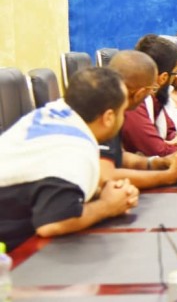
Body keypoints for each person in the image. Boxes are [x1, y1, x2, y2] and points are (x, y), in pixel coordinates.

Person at [0, 67, 139, 251]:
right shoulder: (75, 149)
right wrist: (108, 205)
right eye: (123, 112)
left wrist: (103, 193)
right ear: (108, 117)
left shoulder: (51, 114)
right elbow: (53, 222)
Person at [102, 50, 177, 189]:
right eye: (152, 89)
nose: (152, 95)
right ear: (140, 93)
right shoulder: (104, 114)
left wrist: (157, 163)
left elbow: (118, 157)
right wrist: (168, 176)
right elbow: (106, 175)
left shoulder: (112, 107)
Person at [121, 35, 177, 157]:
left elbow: (170, 131)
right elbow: (157, 150)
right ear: (163, 78)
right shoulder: (135, 101)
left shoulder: (154, 98)